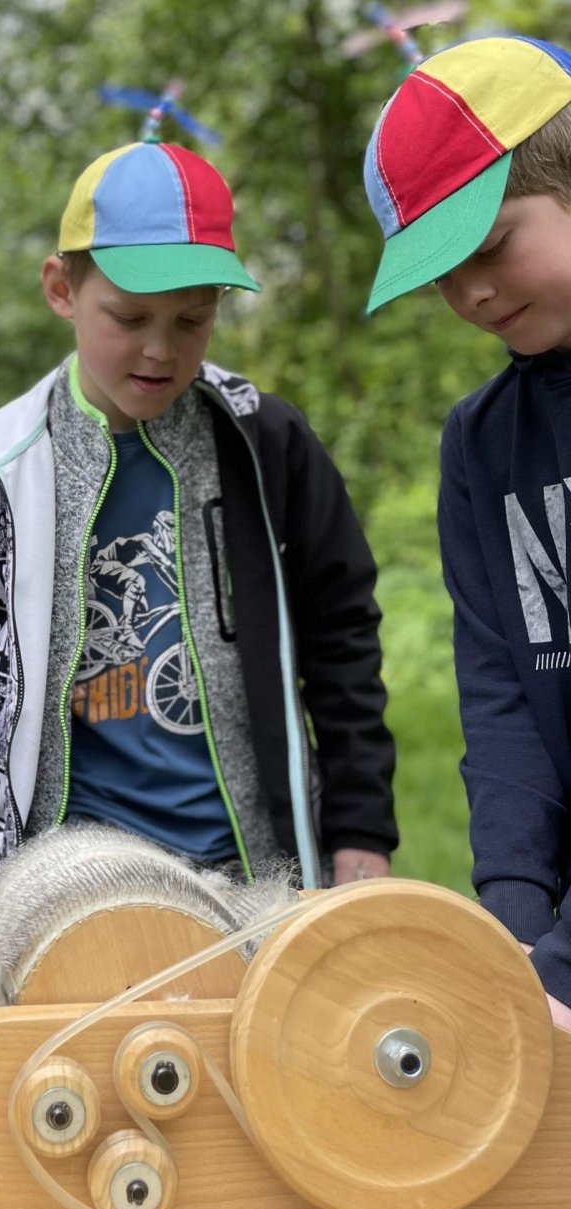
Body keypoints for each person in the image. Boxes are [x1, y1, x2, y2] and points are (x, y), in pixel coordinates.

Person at [0, 139, 397, 980]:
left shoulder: (265, 443)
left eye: (191, 321)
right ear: (61, 288)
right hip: (54, 894)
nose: (160, 351)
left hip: (254, 885)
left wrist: (360, 829)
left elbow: (342, 633)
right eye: (130, 319)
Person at [360, 35, 571, 1029]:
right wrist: (515, 926)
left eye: (489, 248)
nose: (472, 294)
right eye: (442, 272)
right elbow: (502, 697)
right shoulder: (481, 445)